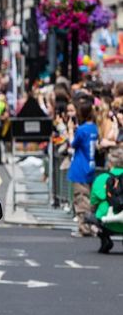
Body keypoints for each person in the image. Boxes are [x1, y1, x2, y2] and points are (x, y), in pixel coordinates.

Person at [69, 99, 99, 238]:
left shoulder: (81, 130)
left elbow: (73, 144)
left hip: (80, 167)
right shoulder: (94, 128)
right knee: (89, 198)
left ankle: (84, 227)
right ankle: (90, 225)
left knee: (81, 198)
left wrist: (70, 131)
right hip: (90, 166)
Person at [89, 147, 123, 253]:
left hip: (107, 220)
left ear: (109, 163)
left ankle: (105, 238)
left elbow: (93, 202)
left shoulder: (101, 178)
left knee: (89, 216)